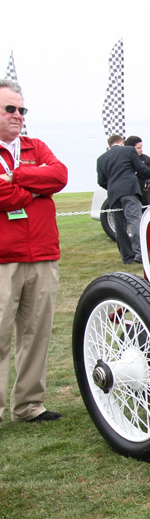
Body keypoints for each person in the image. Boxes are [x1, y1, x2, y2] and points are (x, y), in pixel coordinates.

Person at [0, 79, 68, 425]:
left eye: (21, 110)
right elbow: (3, 196)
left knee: (36, 334)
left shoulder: (35, 146)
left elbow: (59, 176)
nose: (17, 115)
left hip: (42, 255)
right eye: (9, 108)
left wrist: (16, 175)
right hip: (3, 259)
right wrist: (32, 188)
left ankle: (28, 406)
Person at [97, 133, 150, 264]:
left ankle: (126, 257)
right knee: (135, 221)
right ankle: (140, 254)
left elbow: (101, 181)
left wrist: (112, 187)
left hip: (113, 194)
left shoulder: (101, 159)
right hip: (130, 190)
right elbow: (141, 168)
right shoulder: (128, 150)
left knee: (120, 227)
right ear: (121, 143)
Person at [125, 135, 150, 205]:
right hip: (131, 192)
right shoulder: (125, 160)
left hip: (146, 193)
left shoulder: (145, 158)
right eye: (139, 148)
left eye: (141, 147)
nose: (141, 150)